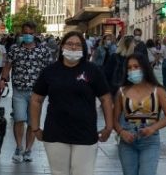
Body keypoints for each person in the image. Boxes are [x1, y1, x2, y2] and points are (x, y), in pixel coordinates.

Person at [30, 31, 114, 175]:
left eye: (77, 45)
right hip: (56, 133)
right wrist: (36, 128)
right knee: (59, 172)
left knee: (83, 172)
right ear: (62, 46)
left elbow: (105, 98)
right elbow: (36, 99)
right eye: (69, 44)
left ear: (83, 48)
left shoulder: (92, 70)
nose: (73, 47)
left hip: (85, 133)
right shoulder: (50, 71)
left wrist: (109, 126)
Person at [0, 21, 53, 163]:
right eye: (25, 33)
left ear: (35, 34)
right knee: (19, 118)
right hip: (19, 90)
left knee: (32, 122)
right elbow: (7, 65)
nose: (27, 36)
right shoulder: (15, 49)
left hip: (37, 93)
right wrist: (3, 80)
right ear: (21, 34)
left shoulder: (43, 50)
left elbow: (49, 71)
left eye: (30, 33)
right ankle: (18, 147)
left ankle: (28, 150)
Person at [114, 53, 166, 175]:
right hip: (127, 141)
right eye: (129, 68)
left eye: (136, 66)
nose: (133, 70)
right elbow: (114, 119)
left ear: (144, 67)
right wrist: (121, 132)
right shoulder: (122, 92)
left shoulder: (158, 90)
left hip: (150, 141)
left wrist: (153, 128)